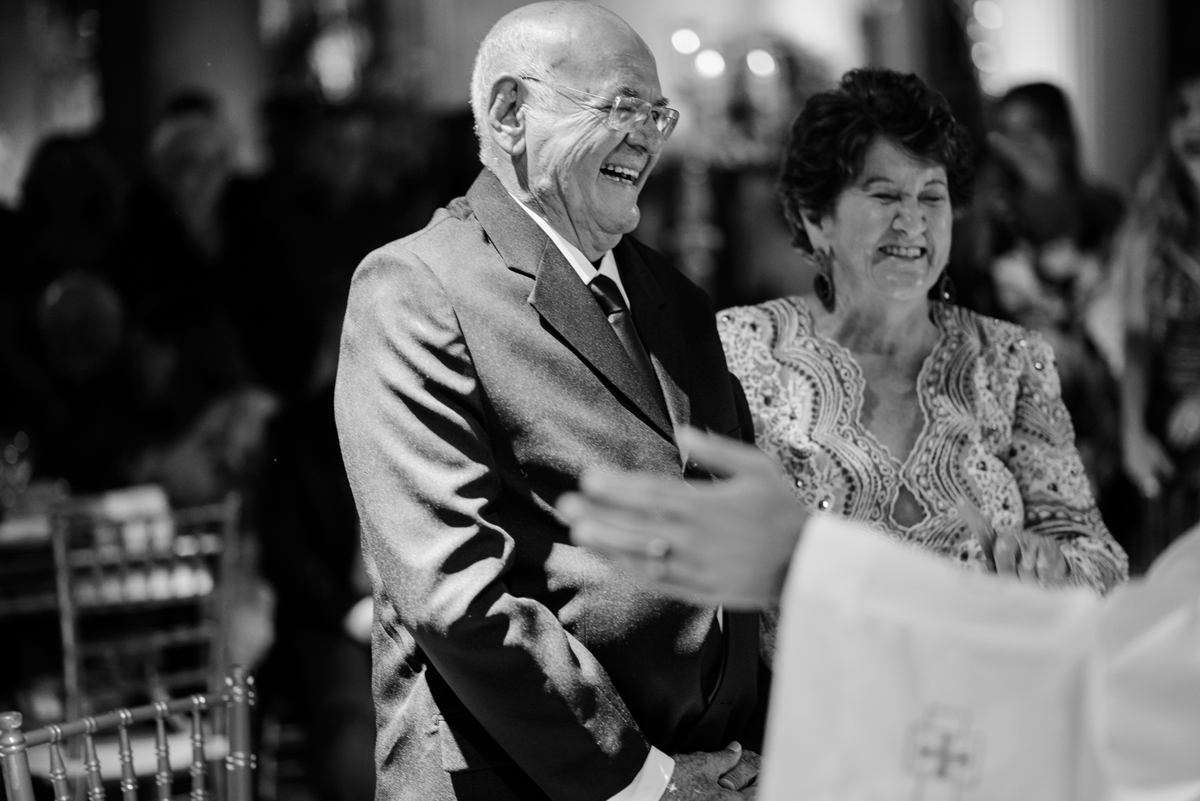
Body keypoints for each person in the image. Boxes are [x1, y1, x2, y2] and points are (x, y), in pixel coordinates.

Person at [334, 3, 766, 800]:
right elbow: (454, 589)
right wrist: (646, 780)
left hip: (719, 767)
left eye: (659, 114)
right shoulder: (416, 288)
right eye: (623, 106)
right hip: (535, 778)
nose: (648, 137)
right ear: (510, 112)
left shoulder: (675, 297)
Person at [560, 69, 1126, 614]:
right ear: (816, 217)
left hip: (979, 671)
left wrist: (1054, 567)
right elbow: (684, 542)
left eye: (931, 197)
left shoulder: (1012, 360)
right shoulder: (738, 348)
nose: (913, 222)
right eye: (884, 196)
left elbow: (1099, 558)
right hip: (811, 675)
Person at [959, 83, 1129, 530]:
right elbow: (972, 311)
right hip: (1023, 395)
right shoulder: (990, 219)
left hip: (1105, 393)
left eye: (1030, 129)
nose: (1017, 143)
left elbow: (1132, 307)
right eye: (1006, 131)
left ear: (1059, 133)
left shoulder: (1104, 210)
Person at [1111, 71, 1200, 569]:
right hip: (1171, 423)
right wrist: (1131, 432)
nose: (1194, 123)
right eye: (1182, 111)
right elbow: (1137, 335)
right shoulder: (1150, 226)